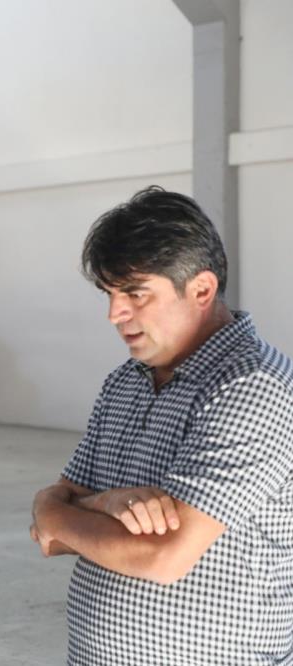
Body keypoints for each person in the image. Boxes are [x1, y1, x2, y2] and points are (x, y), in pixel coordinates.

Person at [31, 186, 293, 664]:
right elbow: (51, 532)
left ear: (201, 290)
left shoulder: (253, 386)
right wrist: (98, 503)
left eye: (135, 293)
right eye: (110, 294)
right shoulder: (124, 382)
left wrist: (57, 513)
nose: (115, 314)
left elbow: (165, 556)